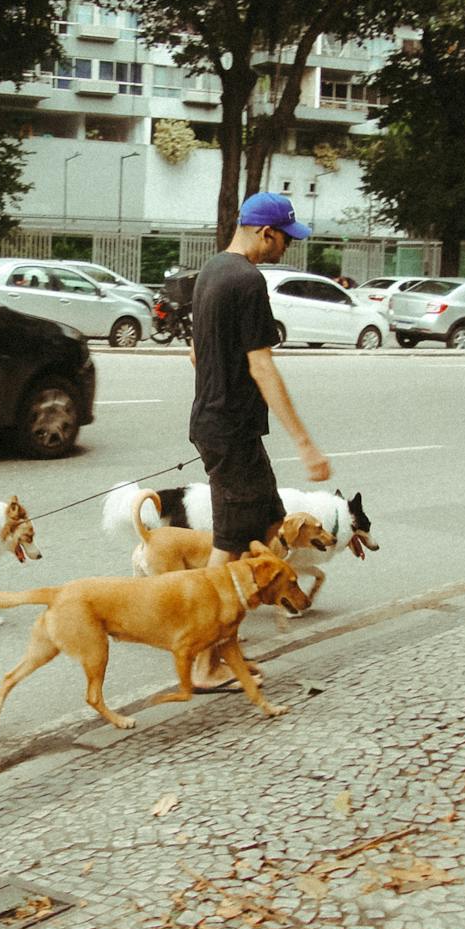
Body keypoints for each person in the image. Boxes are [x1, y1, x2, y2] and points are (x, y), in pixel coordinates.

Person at [188, 192, 332, 687]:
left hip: (225, 425)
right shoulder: (248, 281)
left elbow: (196, 354)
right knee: (227, 547)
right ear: (266, 233)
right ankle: (204, 660)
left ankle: (229, 633)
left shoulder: (211, 271)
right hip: (230, 431)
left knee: (271, 525)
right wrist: (305, 444)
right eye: (286, 239)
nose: (287, 248)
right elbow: (262, 365)